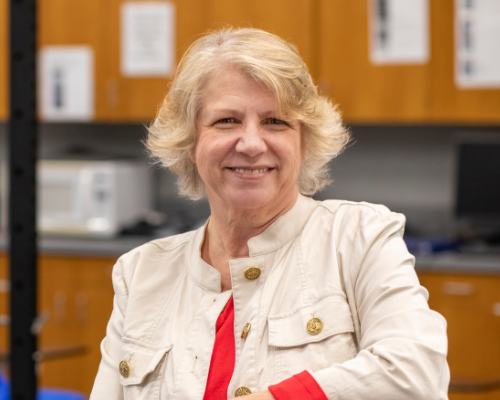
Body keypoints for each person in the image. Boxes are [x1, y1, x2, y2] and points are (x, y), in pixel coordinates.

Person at [89, 27, 449, 400]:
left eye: (275, 121)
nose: (250, 144)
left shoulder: (358, 239)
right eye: (226, 120)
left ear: (304, 142)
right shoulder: (141, 274)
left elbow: (416, 374)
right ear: (190, 142)